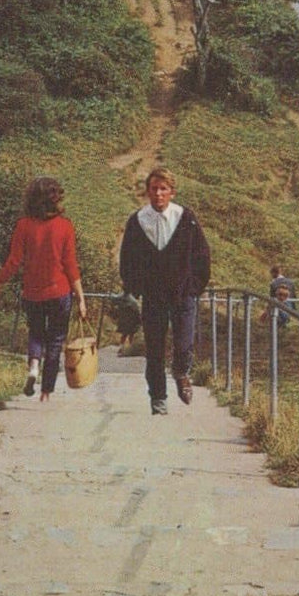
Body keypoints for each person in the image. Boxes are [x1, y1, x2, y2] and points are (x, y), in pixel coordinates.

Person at [119, 167, 211, 416]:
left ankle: (181, 372)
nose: (158, 194)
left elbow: (201, 255)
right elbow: (127, 258)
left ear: (172, 192)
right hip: (153, 297)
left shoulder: (186, 218)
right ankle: (158, 398)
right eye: (154, 189)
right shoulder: (138, 221)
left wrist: (194, 286)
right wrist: (133, 287)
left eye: (163, 189)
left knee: (183, 343)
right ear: (147, 191)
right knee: (155, 350)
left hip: (182, 294)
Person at [0, 178, 86, 400]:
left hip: (32, 292)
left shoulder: (23, 225)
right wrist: (80, 298)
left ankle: (33, 367)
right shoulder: (65, 226)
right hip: (60, 292)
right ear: (57, 199)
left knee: (36, 333)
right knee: (56, 339)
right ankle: (46, 391)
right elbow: (70, 264)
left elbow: (13, 261)